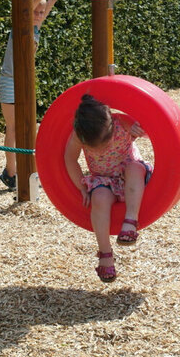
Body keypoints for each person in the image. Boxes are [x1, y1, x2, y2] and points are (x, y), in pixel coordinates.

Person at [64, 94, 153, 283]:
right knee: (99, 198)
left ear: (112, 123)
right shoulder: (79, 135)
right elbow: (70, 159)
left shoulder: (122, 122)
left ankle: (131, 221)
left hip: (128, 176)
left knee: (134, 168)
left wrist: (139, 129)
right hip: (104, 180)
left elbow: (148, 130)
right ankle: (105, 254)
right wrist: (80, 185)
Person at [0, 0, 64, 191]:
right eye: (36, 11)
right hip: (9, 81)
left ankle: (29, 171)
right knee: (14, 129)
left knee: (28, 128)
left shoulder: (37, 25)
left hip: (25, 82)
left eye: (42, 12)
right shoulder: (22, 22)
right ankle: (11, 173)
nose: (39, 14)